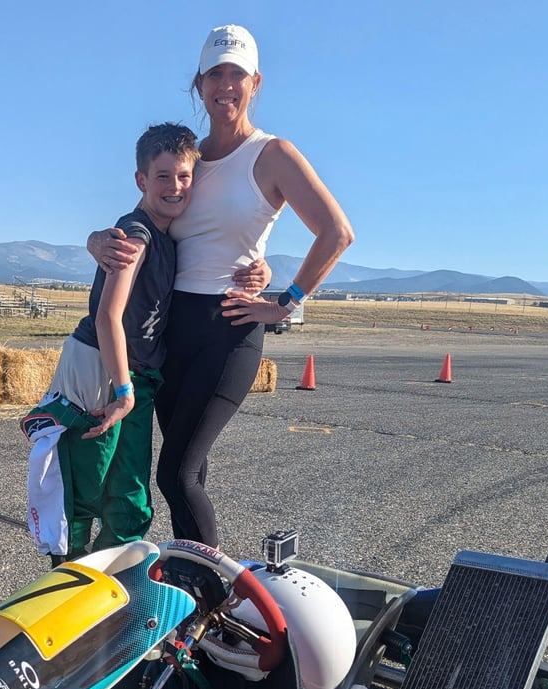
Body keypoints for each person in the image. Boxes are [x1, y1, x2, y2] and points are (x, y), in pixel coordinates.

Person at [89, 24, 354, 548]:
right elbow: (150, 222)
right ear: (199, 83)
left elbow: (336, 232)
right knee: (194, 471)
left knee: (175, 474)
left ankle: (214, 585)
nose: (225, 85)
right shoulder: (188, 161)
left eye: (237, 74)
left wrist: (285, 300)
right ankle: (194, 589)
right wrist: (96, 239)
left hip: (228, 331)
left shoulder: (272, 153)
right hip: (172, 333)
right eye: (215, 74)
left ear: (255, 83)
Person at [22, 122, 199, 566]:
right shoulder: (135, 235)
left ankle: (111, 578)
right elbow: (107, 314)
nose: (175, 187)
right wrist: (122, 391)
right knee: (87, 481)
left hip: (135, 374)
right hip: (101, 368)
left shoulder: (166, 233)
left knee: (130, 495)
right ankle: (66, 578)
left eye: (184, 176)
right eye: (163, 176)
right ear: (141, 180)